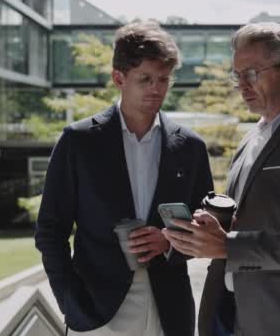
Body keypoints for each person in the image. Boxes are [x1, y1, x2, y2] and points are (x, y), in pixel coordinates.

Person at [163, 22, 280, 336]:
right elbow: (246, 220)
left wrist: (228, 245)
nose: (242, 85)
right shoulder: (249, 138)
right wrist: (208, 230)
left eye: (251, 73)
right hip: (230, 315)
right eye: (237, 75)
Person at [35, 21, 213, 336]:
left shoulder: (191, 147)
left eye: (163, 79)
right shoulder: (78, 141)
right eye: (145, 79)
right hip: (96, 313)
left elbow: (206, 227)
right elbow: (50, 230)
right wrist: (69, 302)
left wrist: (169, 241)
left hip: (170, 311)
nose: (157, 88)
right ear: (119, 77)